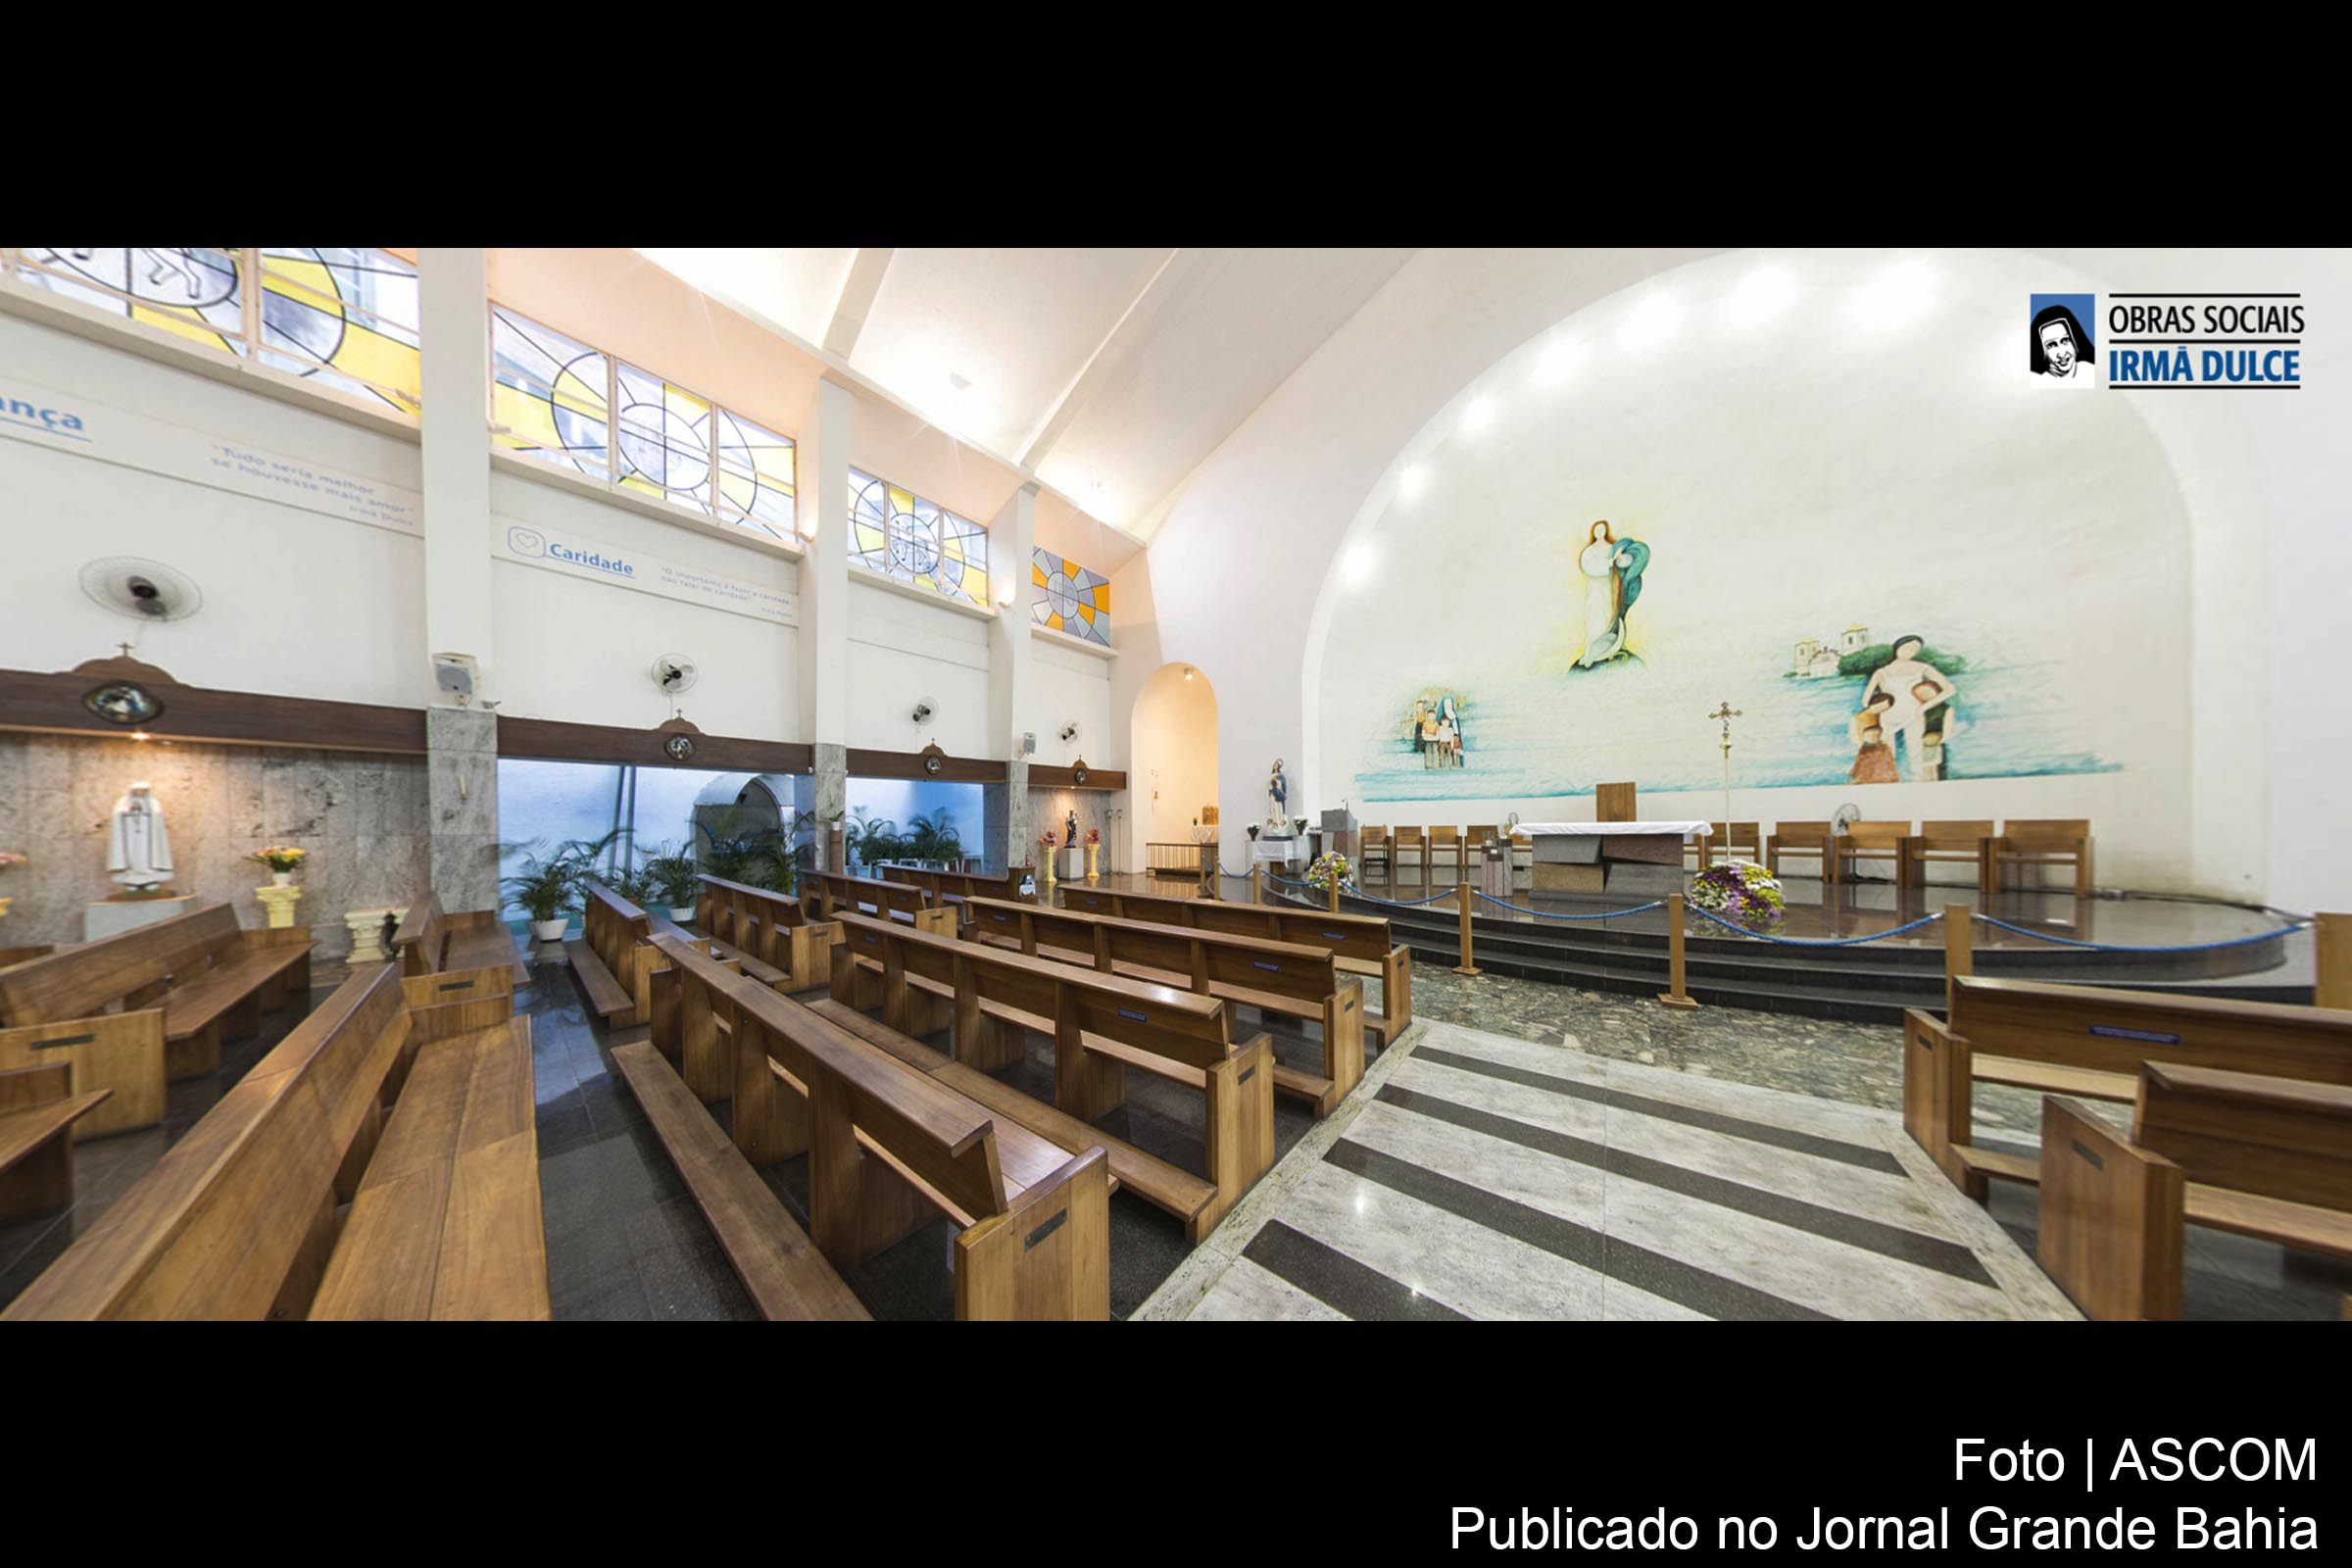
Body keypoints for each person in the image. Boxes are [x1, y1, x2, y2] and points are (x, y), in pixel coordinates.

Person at [1862, 634, 1956, 781]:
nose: (1910, 651)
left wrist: (1925, 707)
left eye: (1915, 649)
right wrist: (1877, 709)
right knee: (1887, 754)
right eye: (1907, 647)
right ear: (1897, 647)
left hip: (1914, 715)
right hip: (1888, 717)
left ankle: (1918, 787)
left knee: (1916, 755)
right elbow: (1866, 700)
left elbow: (1950, 689)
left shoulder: (1922, 667)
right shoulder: (1881, 672)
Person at [1576, 520, 1650, 667]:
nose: (1600, 532)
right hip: (1596, 589)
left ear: (1606, 530)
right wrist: (1609, 563)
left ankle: (1608, 650)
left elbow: (1622, 562)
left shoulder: (1612, 548)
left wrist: (1622, 559)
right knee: (1595, 616)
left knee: (1609, 615)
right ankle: (1592, 651)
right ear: (1592, 532)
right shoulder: (1589, 551)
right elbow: (1588, 566)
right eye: (1597, 529)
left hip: (1610, 587)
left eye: (1602, 529)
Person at [2031, 304, 2094, 384]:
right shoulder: (2036, 381)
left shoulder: (2092, 372)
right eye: (2051, 345)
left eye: (2065, 340)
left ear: (2075, 341)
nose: (2062, 353)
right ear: (2042, 351)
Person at [1848, 694, 1899, 784]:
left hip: (1876, 745)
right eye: (1880, 706)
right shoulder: (1858, 718)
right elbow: (1854, 736)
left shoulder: (1878, 716)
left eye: (1884, 708)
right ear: (1874, 703)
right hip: (1865, 748)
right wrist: (1863, 746)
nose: (1881, 709)